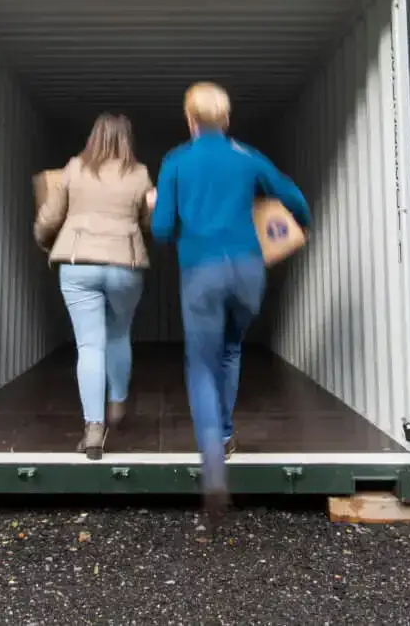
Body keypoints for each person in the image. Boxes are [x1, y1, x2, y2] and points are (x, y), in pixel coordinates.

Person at [148, 83, 311, 514]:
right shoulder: (247, 157)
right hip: (248, 273)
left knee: (201, 364)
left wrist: (158, 206)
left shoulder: (176, 161)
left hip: (202, 272)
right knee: (231, 349)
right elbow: (292, 196)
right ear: (227, 119)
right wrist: (302, 225)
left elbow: (162, 229)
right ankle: (223, 432)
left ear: (189, 119)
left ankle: (215, 469)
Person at [34, 113, 153, 460]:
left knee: (90, 345)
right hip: (124, 265)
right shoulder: (140, 173)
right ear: (127, 138)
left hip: (78, 263)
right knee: (119, 334)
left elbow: (51, 216)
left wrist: (44, 241)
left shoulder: (74, 168)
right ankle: (117, 400)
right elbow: (146, 223)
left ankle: (94, 428)